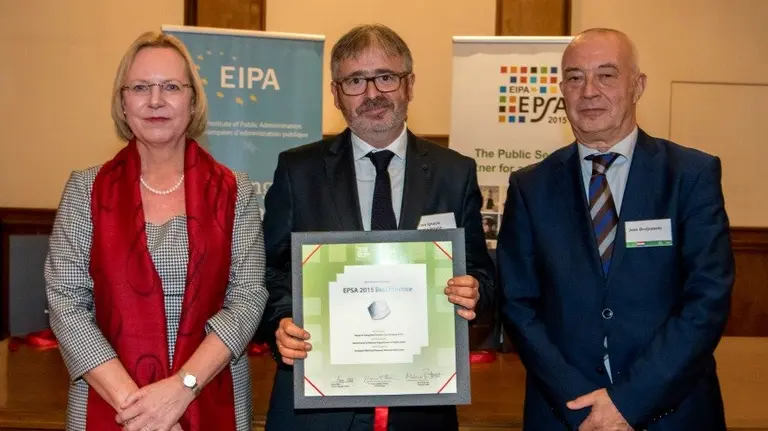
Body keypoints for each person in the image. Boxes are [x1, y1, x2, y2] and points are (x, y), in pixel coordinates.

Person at [257, 24, 495, 431]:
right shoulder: (298, 171)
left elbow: (484, 276)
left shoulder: (454, 173)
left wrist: (474, 290)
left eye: (385, 77)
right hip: (317, 407)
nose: (372, 94)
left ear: (409, 85)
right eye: (355, 81)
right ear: (335, 93)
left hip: (421, 406)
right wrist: (281, 322)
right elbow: (269, 271)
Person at [497, 28, 734, 431]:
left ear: (637, 86)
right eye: (574, 77)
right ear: (562, 90)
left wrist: (628, 401)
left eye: (606, 75)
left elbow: (707, 299)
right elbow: (518, 305)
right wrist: (583, 404)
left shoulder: (691, 176)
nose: (589, 91)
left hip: (671, 413)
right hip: (565, 413)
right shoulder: (529, 187)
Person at [44, 31, 267, 431]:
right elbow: (67, 305)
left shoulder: (237, 190)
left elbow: (247, 299)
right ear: (123, 102)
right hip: (111, 404)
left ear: (193, 100)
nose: (156, 100)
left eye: (171, 87)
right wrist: (142, 412)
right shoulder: (85, 190)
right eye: (141, 87)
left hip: (209, 395)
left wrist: (181, 391)